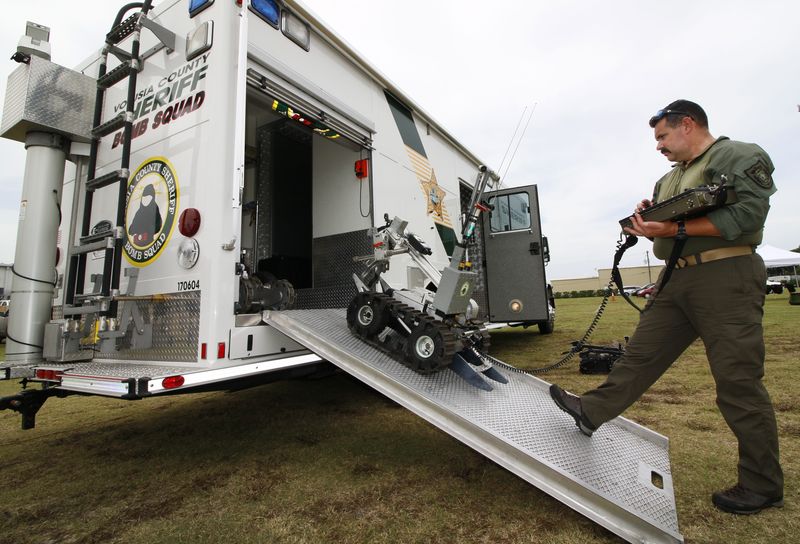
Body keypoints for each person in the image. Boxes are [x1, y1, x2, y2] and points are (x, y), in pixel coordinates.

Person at [549, 100, 784, 515]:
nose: (658, 146)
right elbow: (667, 236)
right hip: (678, 278)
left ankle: (762, 484)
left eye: (663, 137)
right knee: (639, 355)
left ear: (688, 125)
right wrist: (648, 221)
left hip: (726, 273)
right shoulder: (668, 179)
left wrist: (671, 225)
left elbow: (748, 215)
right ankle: (591, 411)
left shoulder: (736, 155)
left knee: (737, 381)